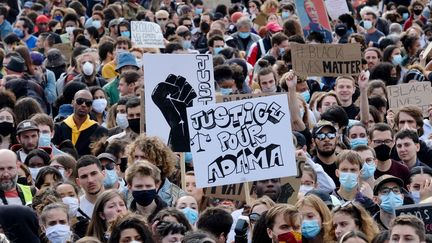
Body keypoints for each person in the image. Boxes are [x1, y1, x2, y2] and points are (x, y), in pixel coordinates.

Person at [127, 135, 186, 206]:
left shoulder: (177, 195)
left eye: (143, 157)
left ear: (158, 160)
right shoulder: (125, 193)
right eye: (136, 157)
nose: (138, 162)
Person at [53, 89, 108, 157]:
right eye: (80, 101)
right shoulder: (58, 128)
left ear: (91, 107)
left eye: (88, 103)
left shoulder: (100, 131)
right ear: (72, 103)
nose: (83, 105)